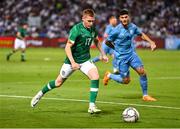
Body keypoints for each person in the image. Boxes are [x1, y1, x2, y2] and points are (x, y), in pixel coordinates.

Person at [31, 9, 108, 114]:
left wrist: (103, 54)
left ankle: (91, 106)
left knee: (95, 77)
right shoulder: (76, 29)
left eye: (92, 21)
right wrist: (73, 62)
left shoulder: (92, 29)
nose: (91, 23)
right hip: (71, 61)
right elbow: (67, 47)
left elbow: (97, 41)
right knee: (58, 83)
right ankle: (40, 94)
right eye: (89, 21)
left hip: (85, 60)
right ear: (83, 19)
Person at [103, 9, 157, 101]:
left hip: (131, 54)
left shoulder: (133, 27)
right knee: (126, 81)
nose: (124, 19)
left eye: (126, 17)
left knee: (142, 72)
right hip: (121, 58)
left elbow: (141, 34)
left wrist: (151, 42)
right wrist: (116, 49)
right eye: (122, 17)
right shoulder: (116, 30)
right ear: (120, 18)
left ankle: (145, 95)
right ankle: (109, 75)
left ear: (129, 17)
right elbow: (107, 41)